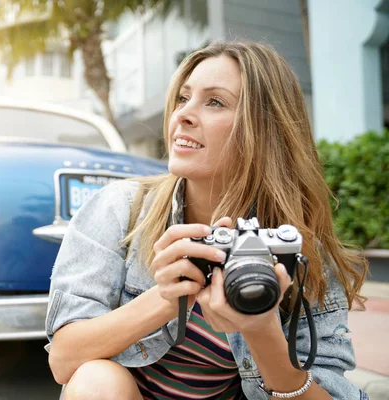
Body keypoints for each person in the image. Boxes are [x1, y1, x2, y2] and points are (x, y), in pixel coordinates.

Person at [44, 41, 369, 400]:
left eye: (215, 102)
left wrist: (262, 330)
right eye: (183, 98)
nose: (183, 114)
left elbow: (334, 394)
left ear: (263, 129)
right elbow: (64, 359)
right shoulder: (121, 209)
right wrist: (167, 298)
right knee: (96, 380)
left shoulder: (299, 250)